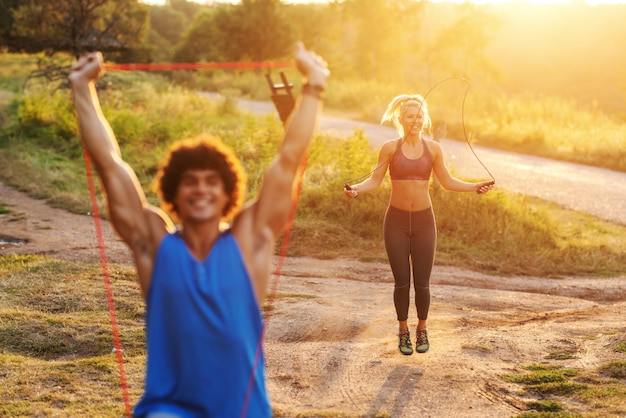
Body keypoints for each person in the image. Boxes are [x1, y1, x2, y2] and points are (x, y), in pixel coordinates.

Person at [69, 42, 329, 417]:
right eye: (190, 181)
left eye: (211, 181)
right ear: (174, 191)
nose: (201, 189)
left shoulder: (249, 238)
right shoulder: (154, 244)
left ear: (228, 192)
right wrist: (82, 87)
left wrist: (315, 85)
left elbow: (290, 159)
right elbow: (110, 163)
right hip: (169, 409)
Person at [343, 94, 493, 356]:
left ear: (425, 120)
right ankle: (403, 332)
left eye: (419, 116)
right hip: (396, 222)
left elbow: (447, 181)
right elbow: (375, 181)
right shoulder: (390, 148)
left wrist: (475, 187)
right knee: (402, 282)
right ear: (401, 119)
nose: (415, 120)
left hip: (425, 222)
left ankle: (422, 328)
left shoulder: (433, 148)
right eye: (410, 116)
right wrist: (356, 189)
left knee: (422, 283)